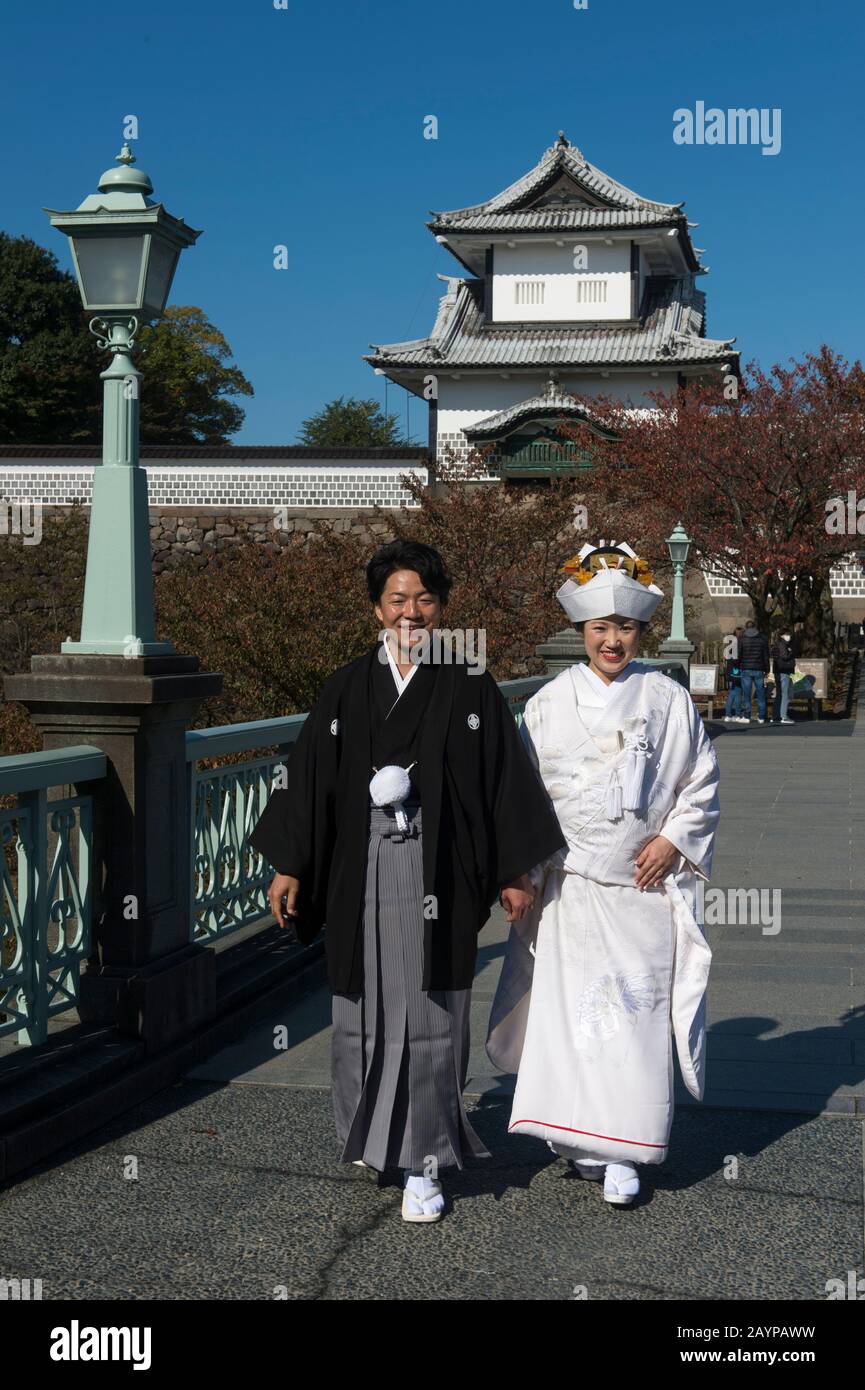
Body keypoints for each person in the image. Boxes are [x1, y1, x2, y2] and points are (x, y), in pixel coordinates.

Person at [249, 539, 565, 1223]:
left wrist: (513, 869)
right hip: (360, 865)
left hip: (439, 866)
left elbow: (501, 778)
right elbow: (308, 780)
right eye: (398, 599)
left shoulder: (470, 682)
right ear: (376, 609)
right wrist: (289, 862)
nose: (411, 611)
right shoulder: (346, 685)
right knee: (364, 1004)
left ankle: (424, 1161)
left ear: (442, 607)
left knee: (429, 1009)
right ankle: (369, 1136)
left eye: (425, 598)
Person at [486, 542, 720, 1206]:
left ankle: (624, 1149)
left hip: (639, 886)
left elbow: (699, 780)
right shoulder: (547, 705)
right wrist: (523, 873)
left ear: (640, 632)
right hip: (571, 886)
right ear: (580, 632)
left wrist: (674, 839)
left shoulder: (665, 698)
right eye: (599, 628)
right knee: (575, 1020)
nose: (612, 640)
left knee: (633, 1019)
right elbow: (526, 796)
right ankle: (581, 1137)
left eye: (623, 628)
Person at [738, 620, 770, 724]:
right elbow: (766, 655)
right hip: (759, 668)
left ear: (746, 627)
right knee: (761, 693)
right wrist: (767, 669)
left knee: (747, 694)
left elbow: (739, 654)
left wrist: (740, 666)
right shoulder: (762, 639)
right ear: (755, 627)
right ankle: (761, 717)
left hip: (746, 668)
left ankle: (747, 716)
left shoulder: (742, 639)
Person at [770, 629, 797, 725]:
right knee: (784, 694)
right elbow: (785, 656)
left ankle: (775, 716)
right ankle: (784, 716)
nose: (788, 636)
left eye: (789, 634)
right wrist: (791, 651)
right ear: (781, 635)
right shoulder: (783, 644)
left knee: (780, 694)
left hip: (779, 670)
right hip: (784, 670)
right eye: (787, 634)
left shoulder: (777, 643)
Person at [723, 626, 746, 723]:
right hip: (738, 671)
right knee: (738, 693)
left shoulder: (731, 644)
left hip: (731, 671)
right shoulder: (740, 644)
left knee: (732, 693)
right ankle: (737, 714)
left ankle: (728, 715)